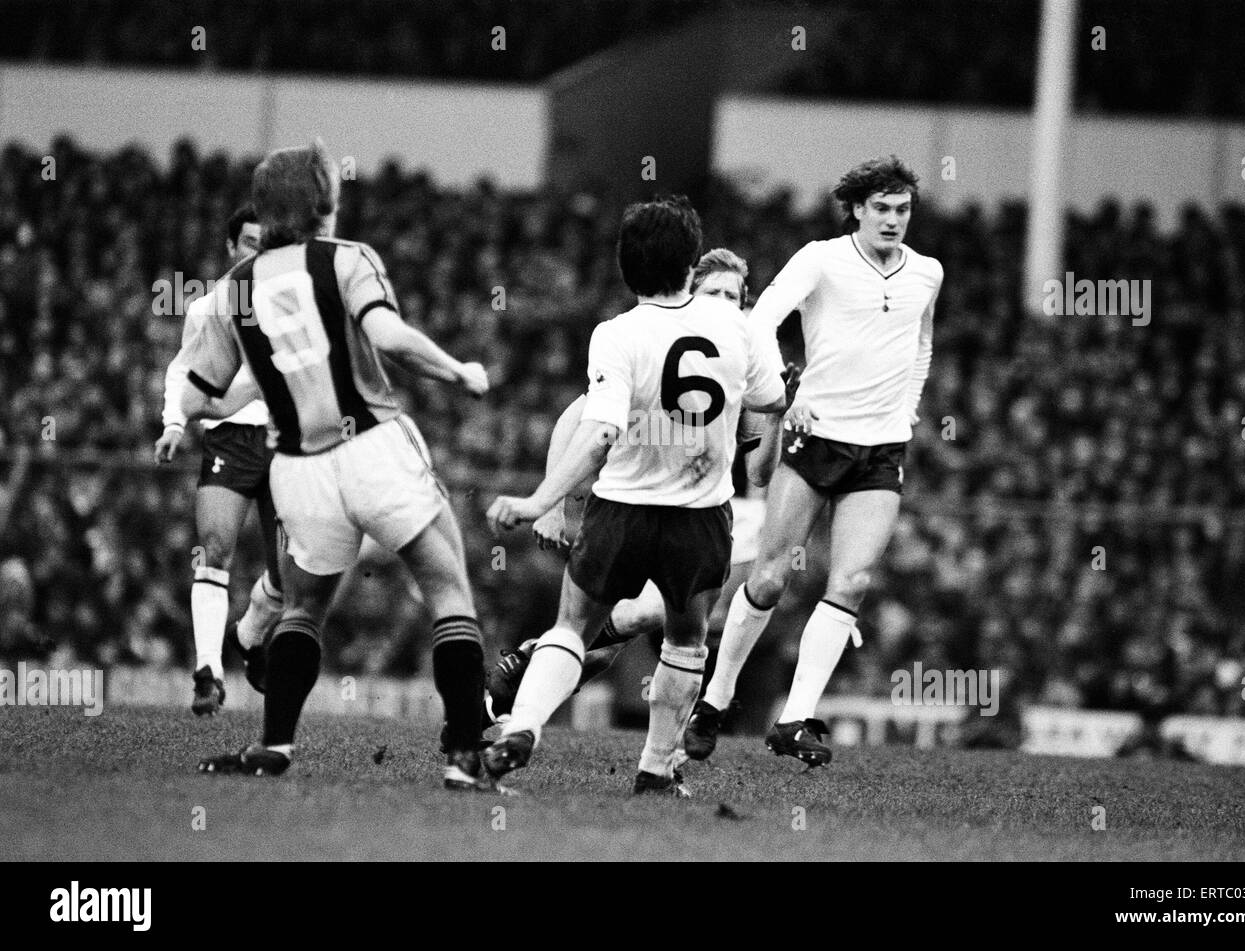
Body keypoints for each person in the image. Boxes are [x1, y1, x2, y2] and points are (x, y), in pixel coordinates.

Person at [180, 140, 496, 791]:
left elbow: (201, 388)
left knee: (303, 609)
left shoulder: (232, 289)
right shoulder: (348, 259)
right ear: (324, 202)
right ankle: (464, 753)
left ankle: (273, 745)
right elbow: (390, 339)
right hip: (373, 446)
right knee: (446, 587)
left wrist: (176, 415)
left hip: (297, 467)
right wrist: (459, 370)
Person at [484, 199, 789, 796]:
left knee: (573, 628)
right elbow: (771, 403)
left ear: (627, 268)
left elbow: (597, 432)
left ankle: (523, 728)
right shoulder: (741, 330)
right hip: (700, 519)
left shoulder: (616, 334)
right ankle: (654, 769)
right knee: (685, 639)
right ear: (690, 267)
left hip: (620, 509)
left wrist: (538, 499)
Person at [685, 156, 944, 767]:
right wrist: (786, 394)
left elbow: (922, 342)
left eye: (902, 209)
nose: (892, 219)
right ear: (856, 209)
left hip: (881, 448)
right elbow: (761, 320)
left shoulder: (926, 273)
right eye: (880, 208)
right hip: (816, 436)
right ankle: (713, 701)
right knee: (770, 576)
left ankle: (795, 719)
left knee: (851, 581)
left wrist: (908, 406)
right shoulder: (820, 259)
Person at [155, 203, 285, 715]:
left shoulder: (289, 307)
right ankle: (208, 672)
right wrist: (173, 424)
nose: (259, 251)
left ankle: (250, 635)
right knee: (215, 547)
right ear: (232, 247)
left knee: (295, 571)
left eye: (268, 243)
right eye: (250, 242)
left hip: (284, 441)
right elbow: (183, 372)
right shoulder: (208, 307)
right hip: (229, 439)